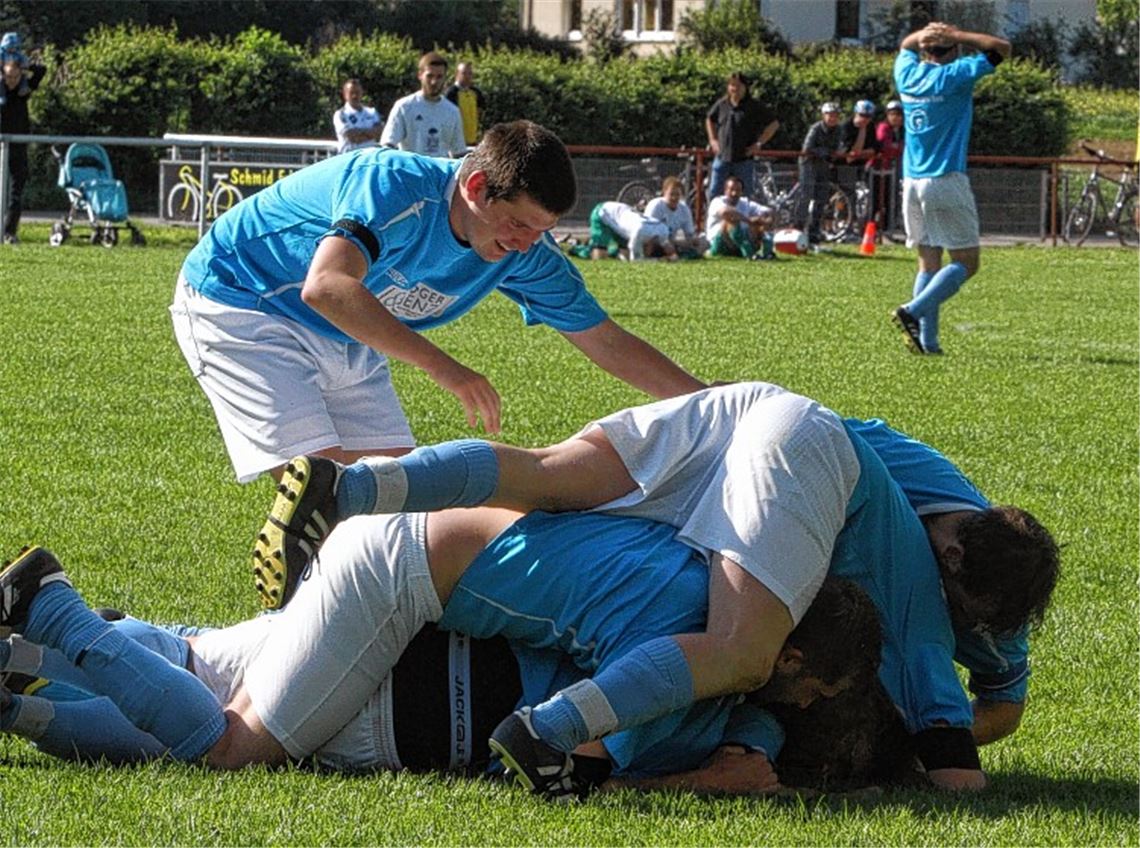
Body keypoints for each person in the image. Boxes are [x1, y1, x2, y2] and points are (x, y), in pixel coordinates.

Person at [258, 383, 1057, 791]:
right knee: (741, 654)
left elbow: (1006, 702)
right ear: (956, 556)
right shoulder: (931, 597)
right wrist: (915, 772)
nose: (953, 606)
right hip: (796, 451)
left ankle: (345, 489)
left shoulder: (962, 522)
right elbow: (956, 753)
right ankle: (550, 733)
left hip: (753, 412)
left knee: (545, 476)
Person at [0, 514, 879, 801]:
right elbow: (571, 765)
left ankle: (14, 691)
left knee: (187, 668)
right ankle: (50, 604)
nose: (805, 705)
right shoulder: (691, 660)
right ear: (788, 652)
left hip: (397, 633)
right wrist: (700, 782)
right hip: (408, 680)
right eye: (812, 687)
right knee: (224, 744)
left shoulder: (706, 588)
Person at [171, 120, 703, 487]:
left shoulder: (523, 253)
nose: (525, 244)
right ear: (477, 186)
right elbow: (328, 285)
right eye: (518, 224)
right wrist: (447, 369)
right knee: (321, 489)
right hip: (243, 300)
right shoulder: (392, 185)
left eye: (540, 231)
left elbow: (605, 340)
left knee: (396, 495)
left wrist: (708, 402)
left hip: (344, 331)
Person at [889, 22, 1011, 355]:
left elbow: (905, 45)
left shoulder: (907, 75)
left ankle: (928, 343)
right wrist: (958, 35)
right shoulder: (954, 75)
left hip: (912, 182)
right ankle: (912, 311)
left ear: (925, 50)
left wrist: (924, 34)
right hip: (945, 179)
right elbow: (1002, 48)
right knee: (967, 262)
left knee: (928, 263)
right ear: (953, 51)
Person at [704, 71, 779, 203]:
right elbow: (709, 119)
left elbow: (774, 124)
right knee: (715, 195)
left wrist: (758, 144)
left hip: (744, 161)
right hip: (722, 159)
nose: (735, 89)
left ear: (745, 87)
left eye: (738, 85)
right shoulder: (722, 104)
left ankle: (742, 217)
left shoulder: (754, 106)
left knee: (745, 198)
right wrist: (713, 140)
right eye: (732, 85)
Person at [381, 52, 465, 159]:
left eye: (439, 77)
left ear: (445, 78)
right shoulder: (404, 107)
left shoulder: (452, 111)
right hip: (410, 168)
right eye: (429, 76)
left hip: (439, 169)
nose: (434, 82)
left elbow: (458, 152)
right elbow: (388, 145)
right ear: (420, 75)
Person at [0, 49, 45, 245]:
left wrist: (24, 64)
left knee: (16, 192)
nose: (12, 80)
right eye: (9, 76)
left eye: (15, 77)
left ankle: (9, 232)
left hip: (18, 145)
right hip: (1, 144)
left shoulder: (23, 90)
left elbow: (41, 70)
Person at [567, 201, 677, 262]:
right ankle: (578, 249)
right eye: (647, 250)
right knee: (600, 258)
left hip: (620, 220)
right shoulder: (639, 232)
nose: (646, 253)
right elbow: (636, 261)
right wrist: (659, 260)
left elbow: (669, 248)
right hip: (603, 213)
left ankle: (607, 248)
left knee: (625, 256)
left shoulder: (663, 230)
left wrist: (673, 256)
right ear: (650, 244)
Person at [798, 102, 843, 245]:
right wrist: (824, 151)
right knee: (806, 195)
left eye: (835, 115)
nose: (832, 118)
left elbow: (837, 147)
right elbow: (807, 148)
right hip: (809, 163)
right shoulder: (816, 128)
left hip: (823, 164)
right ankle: (798, 227)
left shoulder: (838, 130)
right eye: (829, 115)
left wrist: (832, 154)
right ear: (823, 116)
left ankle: (814, 231)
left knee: (821, 198)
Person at [704, 176, 774, 260]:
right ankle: (749, 254)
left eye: (738, 190)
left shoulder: (745, 203)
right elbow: (726, 212)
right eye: (731, 190)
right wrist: (749, 220)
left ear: (741, 192)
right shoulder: (717, 202)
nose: (734, 193)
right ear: (725, 191)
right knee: (731, 220)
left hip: (740, 243)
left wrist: (766, 220)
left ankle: (768, 252)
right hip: (721, 244)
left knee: (761, 221)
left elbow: (769, 211)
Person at [644, 177, 706, 259]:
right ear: (664, 193)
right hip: (654, 241)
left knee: (704, 242)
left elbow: (689, 234)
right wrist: (665, 243)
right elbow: (648, 232)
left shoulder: (684, 208)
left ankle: (674, 255)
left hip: (672, 242)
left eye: (677, 195)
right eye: (671, 194)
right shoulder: (655, 206)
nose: (674, 198)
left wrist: (694, 240)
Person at [871, 100, 905, 232]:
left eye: (899, 114)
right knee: (876, 200)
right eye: (892, 114)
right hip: (878, 169)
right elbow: (884, 147)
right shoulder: (883, 127)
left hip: (893, 170)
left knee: (891, 200)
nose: (896, 117)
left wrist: (897, 148)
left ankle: (887, 229)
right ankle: (870, 227)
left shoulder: (902, 130)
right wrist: (898, 148)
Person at [332, 78, 383, 155]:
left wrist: (359, 131)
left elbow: (379, 133)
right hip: (350, 157)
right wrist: (370, 133)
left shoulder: (372, 112)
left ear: (362, 93)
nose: (355, 96)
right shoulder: (341, 114)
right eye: (351, 93)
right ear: (345, 95)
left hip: (370, 157)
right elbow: (352, 137)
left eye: (357, 92)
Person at [445, 61, 486, 148]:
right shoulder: (451, 93)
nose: (467, 76)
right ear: (457, 74)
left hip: (473, 141)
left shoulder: (476, 92)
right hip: (455, 142)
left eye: (470, 73)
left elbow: (481, 112)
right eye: (464, 73)